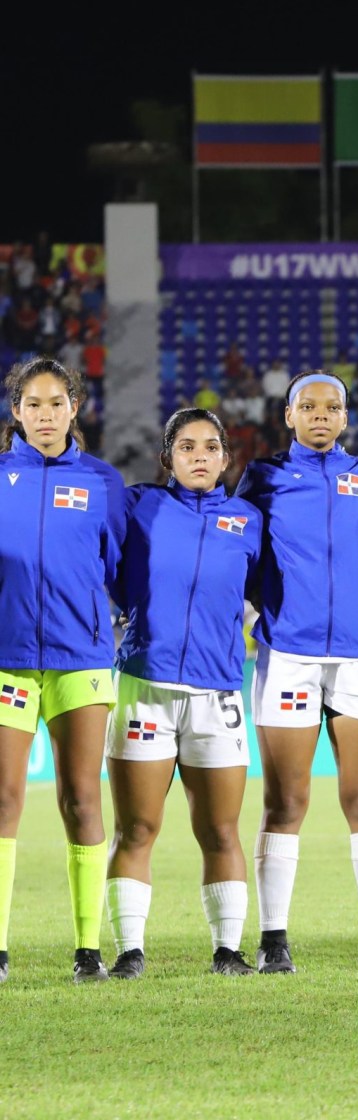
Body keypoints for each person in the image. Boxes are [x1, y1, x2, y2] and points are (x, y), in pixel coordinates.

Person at [235, 370, 358, 973]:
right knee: (287, 800)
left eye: (333, 407)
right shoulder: (263, 480)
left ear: (346, 417)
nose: (321, 415)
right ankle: (274, 939)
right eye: (309, 406)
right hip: (289, 653)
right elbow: (241, 554)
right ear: (288, 415)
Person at [104, 410, 263, 978]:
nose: (200, 455)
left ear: (227, 459)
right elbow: (104, 564)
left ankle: (228, 950)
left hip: (218, 692)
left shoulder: (248, 520)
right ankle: (128, 951)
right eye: (187, 446)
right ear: (167, 456)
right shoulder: (136, 506)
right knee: (137, 828)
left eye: (212, 446)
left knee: (220, 829)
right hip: (145, 684)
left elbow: (268, 591)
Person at [0, 357, 126, 983]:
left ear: (75, 408)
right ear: (15, 412)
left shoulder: (103, 484)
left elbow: (123, 573)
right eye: (33, 405)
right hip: (8, 661)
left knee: (81, 799)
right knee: (4, 799)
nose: (45, 415)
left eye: (56, 404)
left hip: (83, 660)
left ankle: (87, 950)